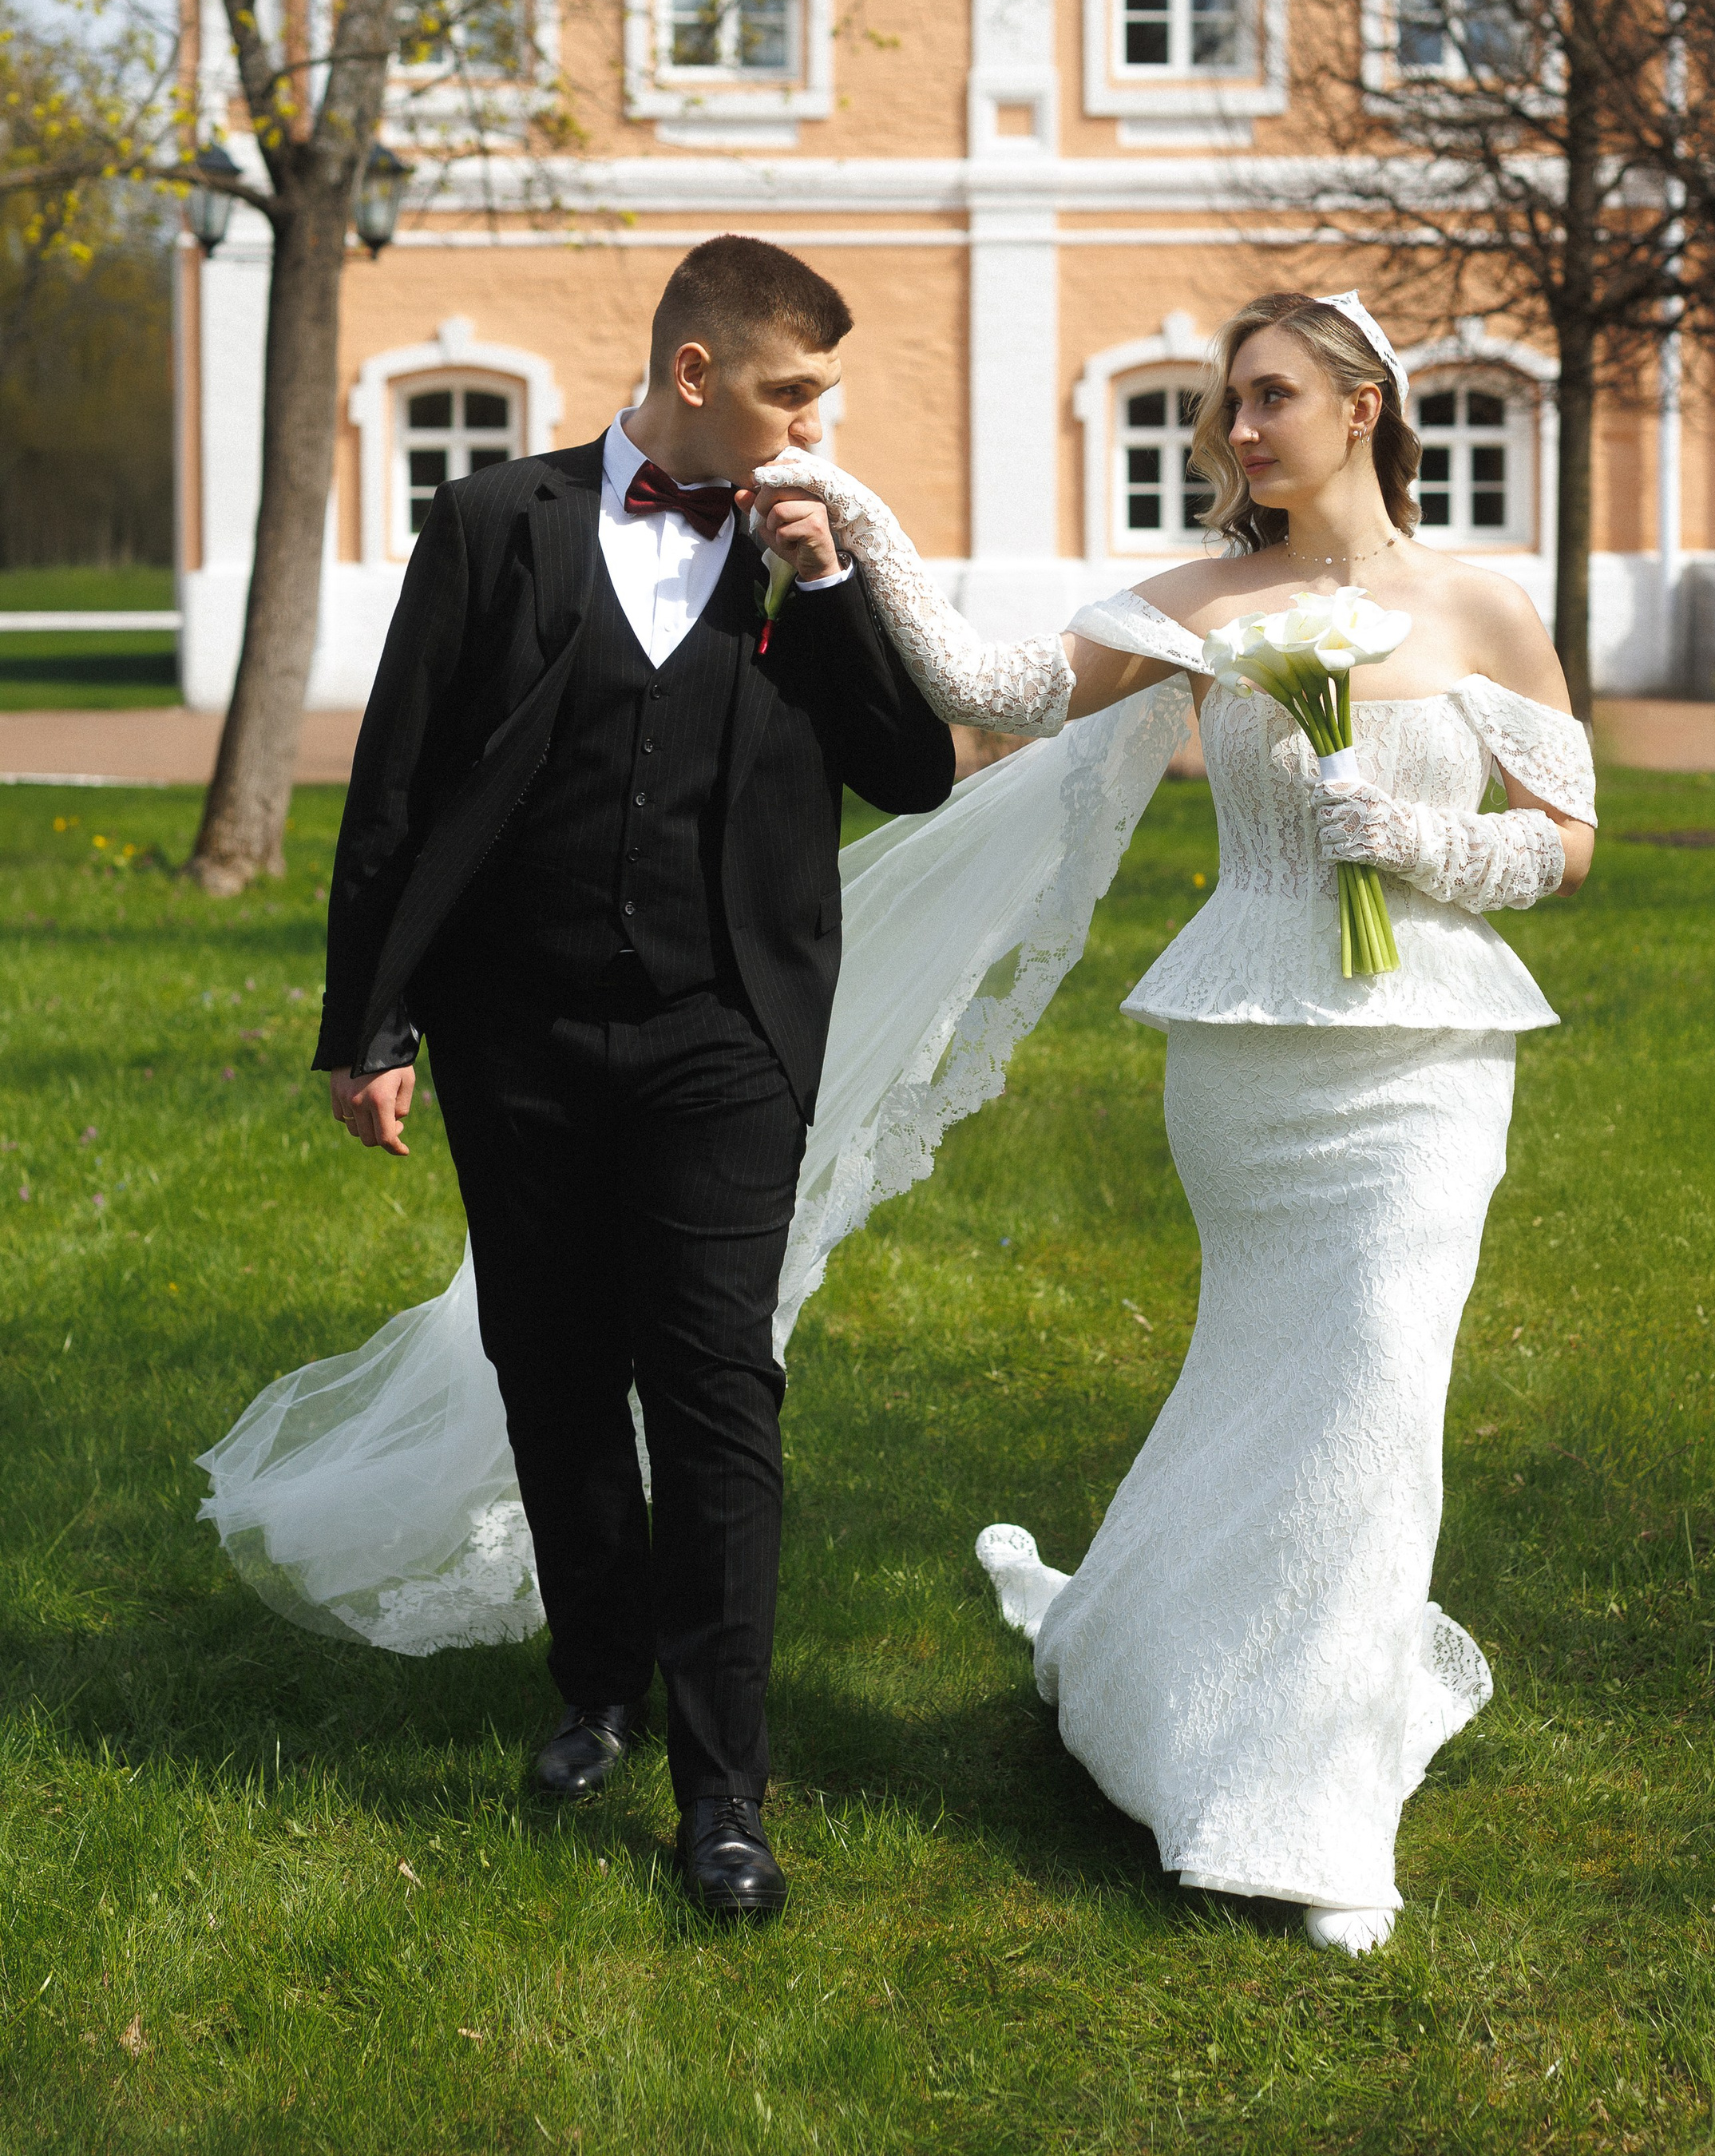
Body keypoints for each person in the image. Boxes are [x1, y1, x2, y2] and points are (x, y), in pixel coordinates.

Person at [749, 288, 1596, 1953]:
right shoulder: (1201, 600)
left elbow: (1569, 832)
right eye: (1223, 405)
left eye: (1268, 396)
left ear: (1363, 407)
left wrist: (1430, 851)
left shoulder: (1483, 607)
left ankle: (1315, 1805)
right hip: (1247, 1052)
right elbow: (992, 679)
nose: (1235, 430)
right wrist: (861, 518)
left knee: (1375, 1376)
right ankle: (1167, 1673)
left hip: (1428, 1063)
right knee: (1267, 1374)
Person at [303, 234, 954, 1917]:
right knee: (552, 1361)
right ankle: (592, 1675)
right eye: (791, 391)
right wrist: (364, 1027)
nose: (817, 422)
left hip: (722, 1034)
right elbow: (397, 787)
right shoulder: (492, 529)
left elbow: (913, 774)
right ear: (693, 374)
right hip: (513, 1031)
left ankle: (722, 1791)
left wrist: (823, 587)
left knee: (718, 1385)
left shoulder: (817, 542)